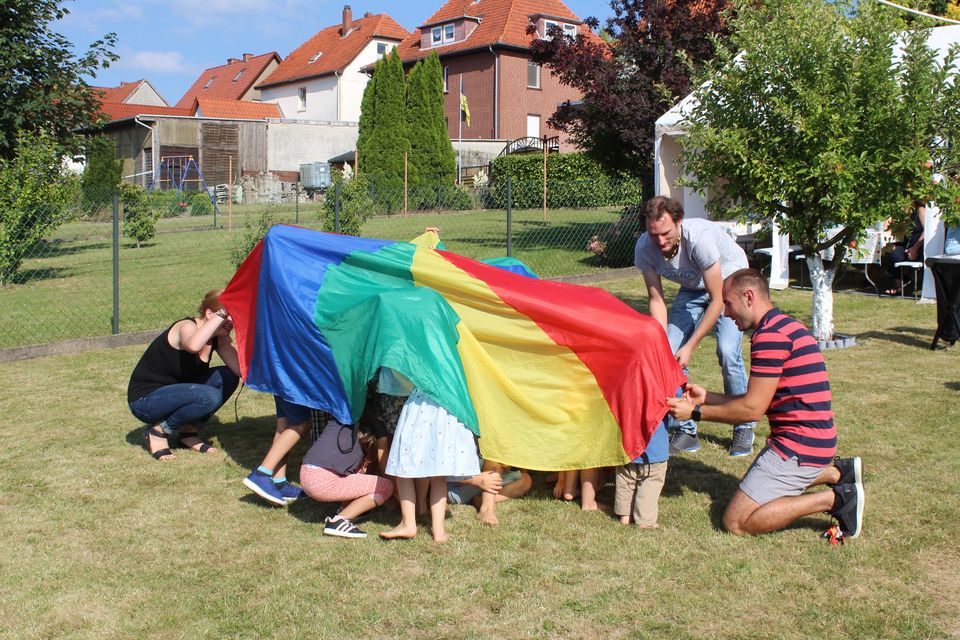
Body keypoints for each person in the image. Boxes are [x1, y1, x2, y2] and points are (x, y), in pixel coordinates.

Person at [667, 269, 865, 538]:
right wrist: (709, 397)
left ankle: (838, 499)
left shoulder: (770, 337)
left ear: (748, 297)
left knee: (736, 521)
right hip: (814, 440)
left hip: (798, 447)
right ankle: (838, 473)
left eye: (727, 303)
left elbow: (752, 410)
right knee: (752, 491)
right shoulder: (786, 325)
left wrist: (696, 412)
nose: (725, 313)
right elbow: (758, 398)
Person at [635, 196, 755, 457]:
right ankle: (685, 429)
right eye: (654, 234)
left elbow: (716, 299)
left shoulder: (698, 238)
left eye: (666, 233)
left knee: (726, 350)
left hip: (728, 283)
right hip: (692, 288)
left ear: (679, 222)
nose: (660, 241)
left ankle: (743, 425)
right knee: (665, 354)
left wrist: (690, 346)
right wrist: (660, 344)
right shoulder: (645, 246)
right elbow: (656, 300)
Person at [128, 290, 240, 461]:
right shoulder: (186, 327)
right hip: (146, 400)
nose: (231, 321)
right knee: (208, 396)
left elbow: (240, 370)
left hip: (181, 392)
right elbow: (194, 345)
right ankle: (158, 432)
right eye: (227, 315)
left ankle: (189, 433)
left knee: (228, 376)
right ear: (210, 314)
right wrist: (222, 313)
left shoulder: (219, 338)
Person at [380, 389, 480, 543]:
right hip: (448, 405)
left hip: (421, 406)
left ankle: (408, 524)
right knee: (438, 472)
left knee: (404, 464)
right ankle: (439, 531)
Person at [299, 419, 394, 538]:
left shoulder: (338, 422)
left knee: (353, 479)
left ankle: (345, 508)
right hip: (324, 483)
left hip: (306, 473)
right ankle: (339, 521)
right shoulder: (363, 446)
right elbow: (384, 468)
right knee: (386, 487)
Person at [242, 397, 312, 506]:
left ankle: (279, 482)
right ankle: (262, 473)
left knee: (285, 423)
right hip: (292, 381)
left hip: (280, 381)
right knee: (302, 422)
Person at [614, 416, 670, 529]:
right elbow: (678, 405)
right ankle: (645, 520)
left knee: (625, 478)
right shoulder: (661, 396)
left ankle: (625, 516)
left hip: (625, 442)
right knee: (650, 481)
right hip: (653, 448)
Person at [448, 460, 533, 525]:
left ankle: (481, 500)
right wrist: (476, 480)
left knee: (526, 479)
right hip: (457, 489)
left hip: (484, 481)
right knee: (493, 462)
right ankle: (486, 510)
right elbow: (443, 473)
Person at [883, 203, 925, 295]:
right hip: (906, 247)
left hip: (920, 246)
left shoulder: (920, 210)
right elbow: (890, 229)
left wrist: (915, 248)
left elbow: (927, 231)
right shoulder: (902, 212)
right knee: (892, 251)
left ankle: (921, 285)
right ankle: (899, 285)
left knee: (925, 253)